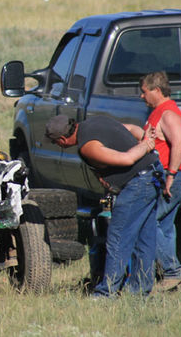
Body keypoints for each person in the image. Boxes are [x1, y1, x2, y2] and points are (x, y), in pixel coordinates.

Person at [45, 114, 160, 297]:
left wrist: (146, 145)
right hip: (153, 175)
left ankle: (106, 292)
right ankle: (139, 291)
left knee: (117, 238)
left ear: (62, 139)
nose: (58, 146)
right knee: (144, 238)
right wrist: (145, 138)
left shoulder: (87, 146)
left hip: (137, 183)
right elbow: (131, 129)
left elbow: (127, 159)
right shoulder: (95, 121)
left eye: (56, 143)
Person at [126, 71, 181, 291]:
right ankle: (171, 277)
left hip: (167, 177)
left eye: (144, 92)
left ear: (157, 90)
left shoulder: (168, 113)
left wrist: (170, 176)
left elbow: (179, 145)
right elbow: (150, 139)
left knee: (147, 222)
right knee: (164, 226)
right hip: (162, 176)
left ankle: (173, 271)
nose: (142, 97)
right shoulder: (157, 113)